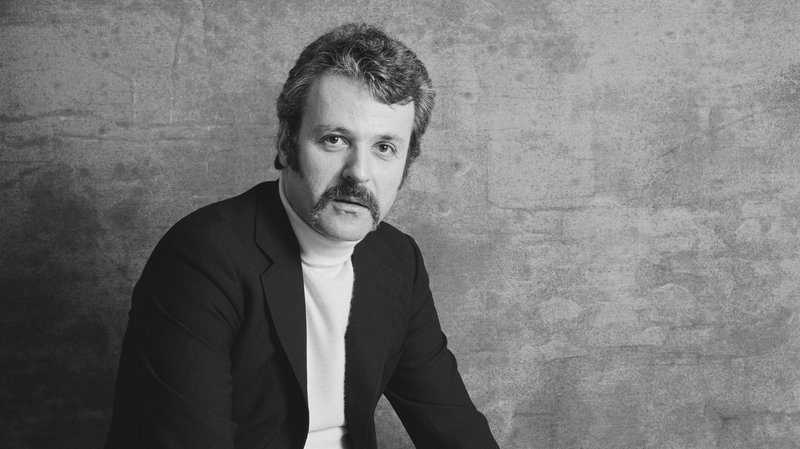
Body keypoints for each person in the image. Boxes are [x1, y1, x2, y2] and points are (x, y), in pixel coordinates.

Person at [105, 23, 499, 449]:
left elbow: (453, 426)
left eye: (384, 147)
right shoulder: (201, 258)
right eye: (335, 139)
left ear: (406, 164)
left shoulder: (397, 258)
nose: (359, 173)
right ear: (285, 143)